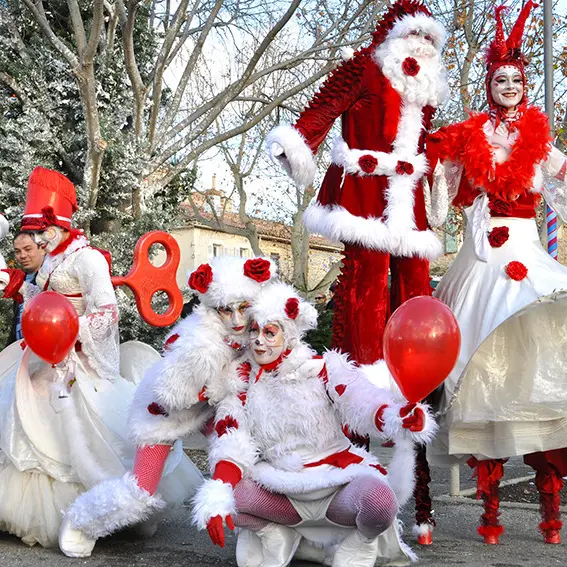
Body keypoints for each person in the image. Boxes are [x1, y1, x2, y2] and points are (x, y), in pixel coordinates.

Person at [267, 1, 448, 540]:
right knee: (364, 317)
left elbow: (426, 147)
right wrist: (299, 142)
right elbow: (321, 110)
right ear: (394, 36)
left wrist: (440, 172)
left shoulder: (426, 86)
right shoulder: (364, 66)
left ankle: (417, 481)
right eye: (412, 35)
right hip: (367, 204)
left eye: (428, 40)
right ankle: (358, 465)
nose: (419, 47)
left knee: (419, 322)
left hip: (409, 212)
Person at [426, 1, 567, 545]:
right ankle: (489, 513)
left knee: (540, 367)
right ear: (489, 85)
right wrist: (439, 170)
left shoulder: (539, 142)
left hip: (527, 256)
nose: (508, 85)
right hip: (483, 259)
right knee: (479, 378)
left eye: (516, 78)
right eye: (499, 78)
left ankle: (551, 510)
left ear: (525, 85)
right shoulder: (471, 136)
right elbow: (441, 198)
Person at [0, 167, 197, 551]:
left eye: (40, 232)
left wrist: (71, 331)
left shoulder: (88, 259)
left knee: (87, 431)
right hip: (39, 359)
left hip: (77, 359)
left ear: (56, 228)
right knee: (28, 427)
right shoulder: (50, 262)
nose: (36, 240)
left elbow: (107, 309)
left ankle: (106, 512)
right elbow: (30, 293)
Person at [192, 281, 438, 567]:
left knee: (380, 502)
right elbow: (231, 437)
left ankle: (361, 542)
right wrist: (218, 493)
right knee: (231, 497)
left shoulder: (323, 368)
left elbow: (361, 400)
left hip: (336, 485)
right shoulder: (241, 382)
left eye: (269, 332)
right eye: (254, 331)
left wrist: (395, 416)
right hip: (282, 492)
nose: (259, 340)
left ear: (290, 335)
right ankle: (273, 533)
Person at [58, 255, 277, 557]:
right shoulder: (197, 343)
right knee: (140, 490)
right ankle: (81, 521)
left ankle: (269, 533)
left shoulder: (259, 329)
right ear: (214, 308)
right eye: (227, 310)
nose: (237, 321)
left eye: (243, 308)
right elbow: (173, 396)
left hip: (221, 408)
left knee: (245, 460)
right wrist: (222, 380)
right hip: (165, 413)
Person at [4, 231, 45, 347]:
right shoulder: (20, 280)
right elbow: (17, 322)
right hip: (20, 352)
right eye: (18, 251)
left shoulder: (51, 279)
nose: (22, 256)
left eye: (28, 249)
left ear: (42, 249)